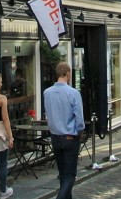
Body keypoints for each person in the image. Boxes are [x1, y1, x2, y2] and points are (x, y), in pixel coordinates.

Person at [43, 62, 86, 199]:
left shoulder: (47, 93)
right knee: (70, 175)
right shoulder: (73, 93)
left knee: (62, 173)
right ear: (68, 74)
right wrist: (80, 131)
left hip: (55, 137)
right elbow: (79, 118)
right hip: (69, 137)